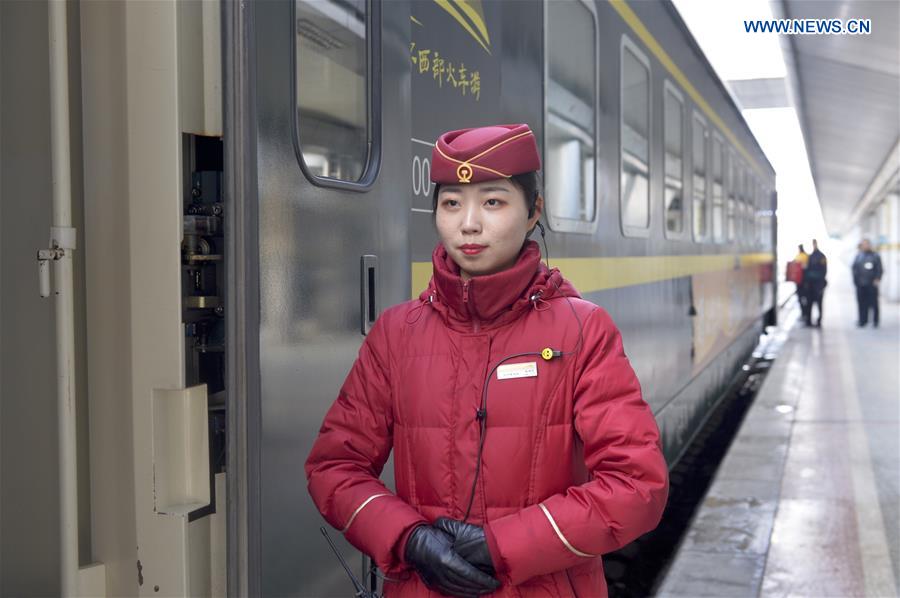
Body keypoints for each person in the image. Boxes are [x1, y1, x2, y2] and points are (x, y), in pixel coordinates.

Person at [305, 124, 669, 597]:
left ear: (534, 210)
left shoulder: (583, 331)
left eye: (493, 202)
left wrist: (502, 546)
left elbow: (637, 486)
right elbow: (334, 467)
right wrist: (408, 539)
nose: (469, 223)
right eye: (452, 202)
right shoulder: (395, 335)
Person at [852, 238, 883, 327]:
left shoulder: (875, 256)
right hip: (860, 284)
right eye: (863, 244)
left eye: (866, 244)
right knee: (861, 303)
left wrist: (877, 278)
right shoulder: (858, 256)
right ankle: (862, 320)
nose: (864, 246)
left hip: (871, 284)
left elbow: (879, 269)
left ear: (869, 245)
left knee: (873, 303)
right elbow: (854, 269)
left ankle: (875, 321)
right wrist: (855, 281)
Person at [804, 239, 827, 327]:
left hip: (818, 284)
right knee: (809, 303)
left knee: (819, 304)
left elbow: (823, 271)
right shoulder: (809, 256)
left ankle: (818, 321)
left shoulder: (821, 256)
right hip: (811, 284)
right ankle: (809, 321)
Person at [791, 244, 809, 322]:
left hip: (799, 282)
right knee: (805, 299)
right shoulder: (806, 256)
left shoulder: (798, 256)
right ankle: (805, 314)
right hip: (805, 282)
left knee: (800, 298)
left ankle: (803, 313)